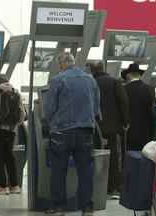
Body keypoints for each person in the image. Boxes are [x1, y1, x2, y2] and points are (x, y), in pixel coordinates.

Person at [44, 53, 100, 216]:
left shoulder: (57, 80)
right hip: (85, 131)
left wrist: (51, 123)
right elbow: (96, 108)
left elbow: (49, 109)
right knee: (85, 170)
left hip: (61, 132)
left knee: (58, 170)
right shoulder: (90, 80)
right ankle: (87, 208)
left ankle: (59, 207)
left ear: (61, 64)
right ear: (74, 63)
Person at [88, 61, 129, 198]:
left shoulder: (89, 83)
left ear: (92, 70)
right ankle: (113, 187)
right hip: (113, 127)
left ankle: (97, 186)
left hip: (93, 128)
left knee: (94, 156)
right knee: (114, 158)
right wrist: (125, 121)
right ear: (103, 68)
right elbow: (123, 101)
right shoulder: (114, 82)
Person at [0, 75, 25, 195]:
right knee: (10, 157)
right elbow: (22, 113)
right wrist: (15, 126)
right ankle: (15, 186)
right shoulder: (16, 91)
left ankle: (2, 186)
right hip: (11, 130)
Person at [122, 63, 155, 151]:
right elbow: (152, 113)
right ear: (140, 75)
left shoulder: (124, 89)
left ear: (128, 75)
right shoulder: (150, 89)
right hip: (146, 133)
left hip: (129, 132)